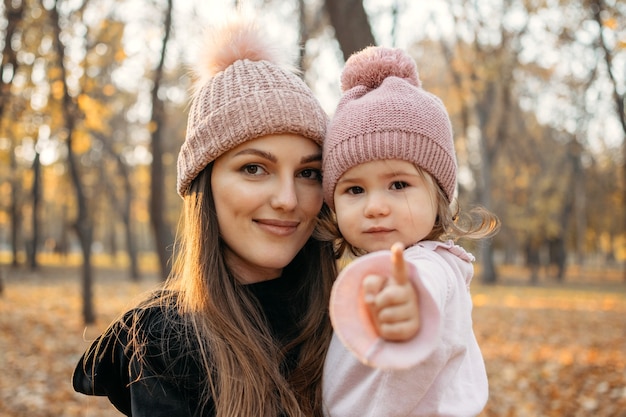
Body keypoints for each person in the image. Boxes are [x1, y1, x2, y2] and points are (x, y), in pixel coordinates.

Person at [72, 15, 337, 417]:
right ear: (203, 184)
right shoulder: (164, 344)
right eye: (254, 168)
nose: (288, 199)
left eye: (308, 173)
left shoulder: (352, 316)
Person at [320, 46, 500, 416]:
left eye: (399, 185)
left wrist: (407, 303)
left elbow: (419, 287)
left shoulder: (427, 267)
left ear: (438, 196)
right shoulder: (372, 266)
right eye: (355, 190)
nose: (375, 206)